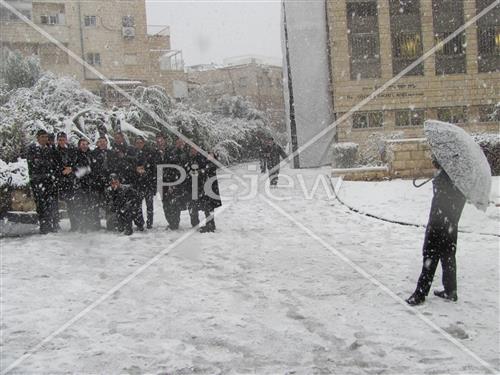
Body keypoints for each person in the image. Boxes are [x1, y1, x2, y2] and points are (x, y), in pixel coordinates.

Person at [406, 157, 467, 306]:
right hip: (451, 224)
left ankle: (420, 294)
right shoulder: (462, 180)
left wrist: (438, 176)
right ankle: (450, 290)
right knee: (448, 255)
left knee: (430, 255)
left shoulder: (445, 179)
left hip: (438, 222)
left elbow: (441, 198)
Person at [26, 129, 59, 234]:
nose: (45, 139)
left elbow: (55, 162)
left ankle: (51, 225)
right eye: (42, 137)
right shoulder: (32, 149)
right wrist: (46, 165)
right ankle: (44, 226)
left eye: (46, 137)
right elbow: (35, 163)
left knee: (51, 204)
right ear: (38, 138)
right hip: (38, 181)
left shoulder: (50, 149)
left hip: (49, 181)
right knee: (41, 204)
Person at [161, 137, 190, 230]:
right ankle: (170, 221)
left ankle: (175, 223)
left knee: (176, 204)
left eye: (181, 143)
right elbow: (166, 167)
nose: (180, 144)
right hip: (167, 181)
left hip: (180, 183)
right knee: (166, 203)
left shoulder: (186, 154)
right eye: (178, 142)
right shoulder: (170, 152)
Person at [54, 132, 78, 231]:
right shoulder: (54, 151)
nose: (62, 141)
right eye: (60, 140)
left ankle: (75, 224)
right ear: (57, 141)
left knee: (73, 204)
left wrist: (71, 168)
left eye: (63, 139)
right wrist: (61, 171)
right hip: (60, 180)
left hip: (72, 180)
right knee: (62, 204)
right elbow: (53, 165)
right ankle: (56, 224)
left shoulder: (72, 150)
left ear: (66, 140)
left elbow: (77, 162)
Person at [90, 136, 113, 229]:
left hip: (108, 181)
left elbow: (114, 166)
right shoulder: (94, 153)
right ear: (98, 143)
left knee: (109, 203)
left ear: (107, 142)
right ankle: (96, 224)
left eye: (104, 141)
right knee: (96, 204)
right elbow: (91, 167)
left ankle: (110, 223)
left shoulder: (111, 153)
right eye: (100, 141)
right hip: (97, 182)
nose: (102, 143)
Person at [133, 136, 156, 229]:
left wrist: (146, 170)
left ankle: (150, 223)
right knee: (138, 205)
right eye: (137, 143)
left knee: (149, 205)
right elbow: (130, 164)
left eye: (140, 142)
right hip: (138, 184)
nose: (139, 144)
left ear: (144, 143)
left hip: (148, 184)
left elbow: (153, 168)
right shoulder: (133, 153)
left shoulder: (149, 153)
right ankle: (140, 223)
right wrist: (136, 169)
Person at [197, 150, 222, 233]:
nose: (209, 156)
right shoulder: (206, 162)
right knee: (207, 206)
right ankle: (210, 224)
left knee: (210, 206)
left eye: (211, 155)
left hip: (211, 187)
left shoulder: (212, 164)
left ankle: (211, 225)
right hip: (207, 187)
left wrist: (202, 171)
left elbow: (209, 169)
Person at [72, 138, 94, 232]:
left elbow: (94, 167)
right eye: (82, 144)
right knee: (80, 205)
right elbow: (74, 169)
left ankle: (89, 224)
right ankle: (81, 225)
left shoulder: (91, 154)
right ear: (79, 145)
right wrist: (84, 170)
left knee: (89, 204)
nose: (84, 146)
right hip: (79, 184)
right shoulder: (75, 154)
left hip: (90, 183)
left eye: (86, 144)